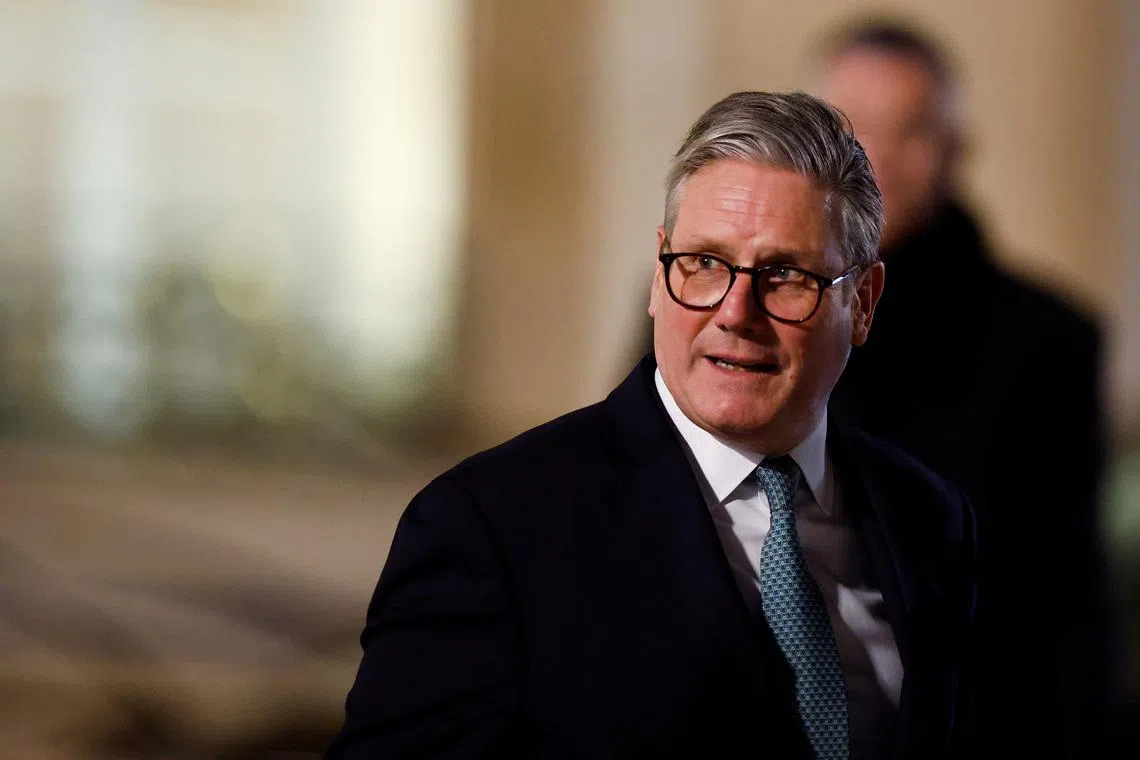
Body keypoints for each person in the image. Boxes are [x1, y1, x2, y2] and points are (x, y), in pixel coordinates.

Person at [326, 91, 978, 759]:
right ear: (658, 272)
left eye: (784, 274)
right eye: (704, 264)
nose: (735, 311)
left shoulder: (926, 518)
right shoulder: (493, 528)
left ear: (863, 302)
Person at [814, 20, 1120, 758]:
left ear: (955, 148)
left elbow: (1070, 595)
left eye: (908, 129)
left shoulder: (1048, 340)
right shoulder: (726, 301)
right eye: (851, 129)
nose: (874, 156)